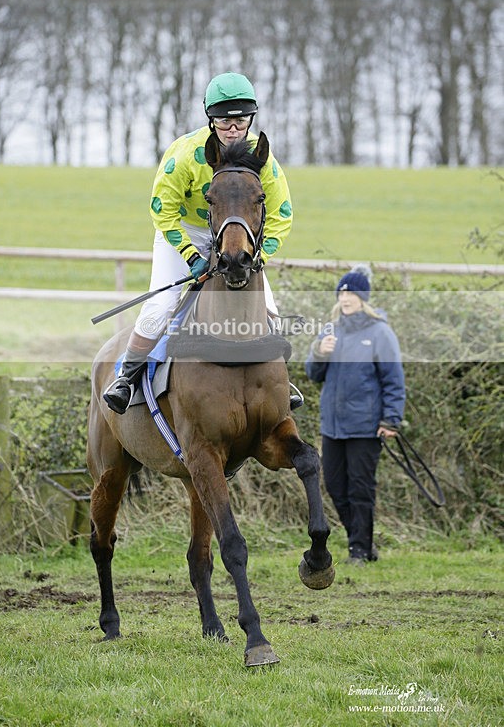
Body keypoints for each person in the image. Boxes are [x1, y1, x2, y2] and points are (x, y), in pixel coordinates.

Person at [104, 71, 300, 414]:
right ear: (211, 119)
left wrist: (258, 255)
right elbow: (161, 209)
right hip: (185, 228)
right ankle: (127, 375)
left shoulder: (261, 157)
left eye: (241, 120)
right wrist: (190, 254)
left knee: (269, 308)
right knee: (162, 305)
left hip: (239, 233)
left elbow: (282, 213)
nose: (234, 128)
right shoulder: (185, 154)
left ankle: (283, 381)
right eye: (225, 121)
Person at [305, 264, 405, 565]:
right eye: (342, 293)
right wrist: (319, 350)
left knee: (361, 489)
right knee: (336, 487)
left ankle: (359, 550)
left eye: (351, 293)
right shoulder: (330, 330)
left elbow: (393, 380)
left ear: (363, 297)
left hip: (365, 426)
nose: (345, 298)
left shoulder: (380, 333)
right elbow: (314, 374)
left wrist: (391, 420)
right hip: (333, 426)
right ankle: (360, 542)